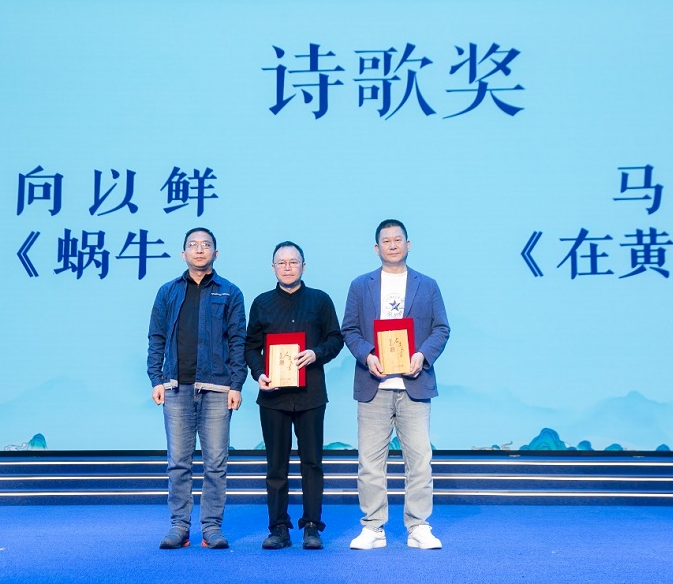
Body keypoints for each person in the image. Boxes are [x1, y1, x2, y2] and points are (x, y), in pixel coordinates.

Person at [341, 219, 450, 550]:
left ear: (408, 244)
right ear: (376, 248)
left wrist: (423, 356)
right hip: (373, 385)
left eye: (397, 239)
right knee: (370, 463)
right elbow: (349, 330)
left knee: (419, 460)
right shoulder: (360, 285)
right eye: (386, 241)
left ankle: (418, 526)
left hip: (414, 385)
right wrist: (367, 355)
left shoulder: (427, 285)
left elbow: (441, 328)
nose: (392, 245)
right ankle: (373, 527)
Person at [147, 227, 246, 550]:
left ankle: (212, 527)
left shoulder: (230, 292)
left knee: (216, 463)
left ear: (216, 253)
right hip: (176, 388)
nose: (199, 249)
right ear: (183, 254)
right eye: (193, 245)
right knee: (178, 462)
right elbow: (156, 337)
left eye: (206, 245)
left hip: (217, 389)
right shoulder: (168, 292)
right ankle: (179, 526)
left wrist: (236, 385)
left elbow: (238, 342)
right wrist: (156, 379)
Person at [245, 241, 344, 550]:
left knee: (312, 463)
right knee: (276, 465)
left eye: (293, 262)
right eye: (281, 262)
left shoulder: (320, 300)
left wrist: (316, 353)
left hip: (311, 395)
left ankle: (312, 526)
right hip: (272, 397)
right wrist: (258, 373)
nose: (287, 267)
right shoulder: (261, 303)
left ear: (304, 266)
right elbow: (250, 346)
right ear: (273, 267)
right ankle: (278, 528)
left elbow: (336, 339)